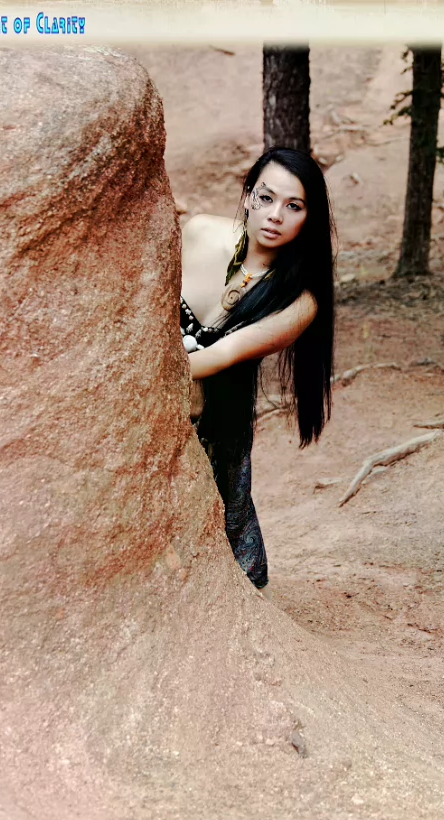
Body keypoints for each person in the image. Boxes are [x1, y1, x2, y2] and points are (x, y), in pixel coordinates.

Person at [180, 147, 335, 599]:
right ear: (248, 195)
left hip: (212, 423)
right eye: (266, 198)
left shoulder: (298, 301)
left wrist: (142, 373)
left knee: (215, 536)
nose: (275, 215)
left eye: (294, 206)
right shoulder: (199, 231)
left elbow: (218, 357)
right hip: (147, 395)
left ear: (309, 218)